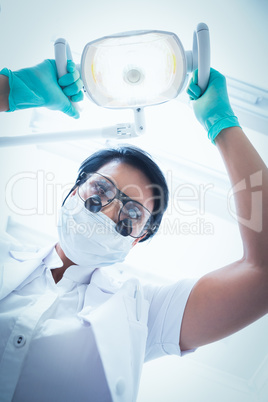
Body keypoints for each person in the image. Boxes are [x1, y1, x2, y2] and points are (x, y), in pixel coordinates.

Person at [0, 59, 267, 402]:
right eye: (99, 192)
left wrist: (222, 124)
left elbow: (263, 270)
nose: (109, 213)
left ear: (137, 239)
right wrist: (9, 91)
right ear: (73, 192)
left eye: (130, 216)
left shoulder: (142, 314)